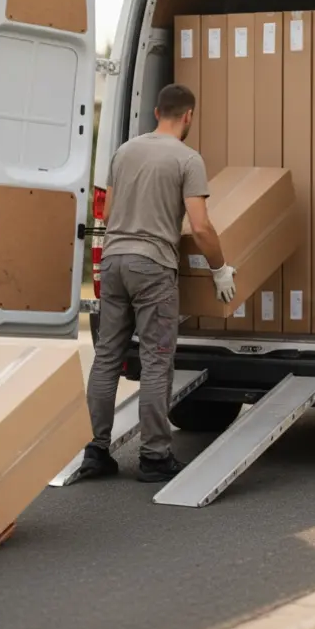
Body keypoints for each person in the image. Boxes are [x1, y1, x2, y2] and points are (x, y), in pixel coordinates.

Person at [72, 83, 236, 484]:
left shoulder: (124, 151)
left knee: (107, 355)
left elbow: (108, 211)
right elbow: (200, 227)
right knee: (157, 358)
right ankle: (155, 456)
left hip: (112, 261)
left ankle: (96, 450)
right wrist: (219, 268)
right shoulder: (188, 158)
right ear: (188, 116)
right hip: (152, 266)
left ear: (156, 112)